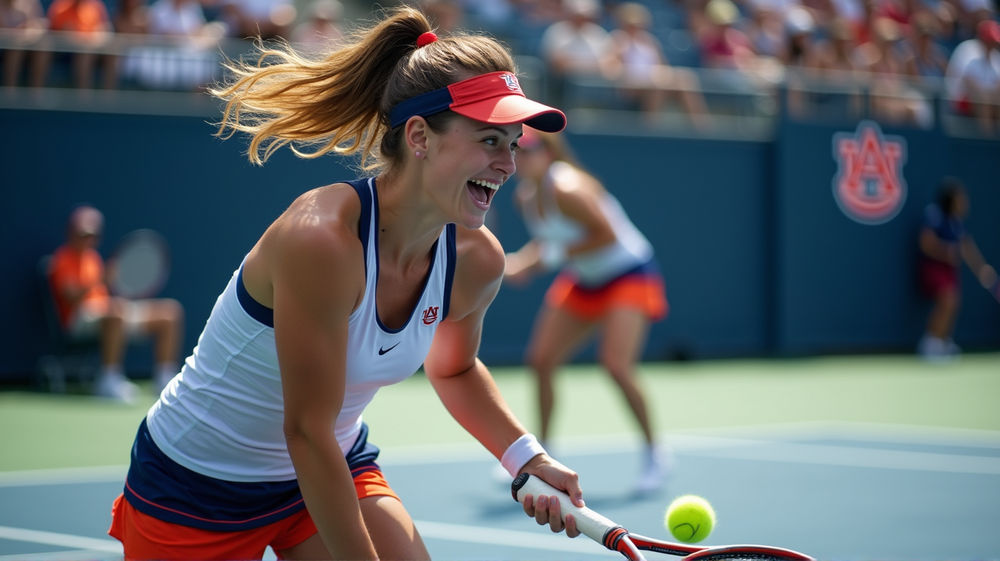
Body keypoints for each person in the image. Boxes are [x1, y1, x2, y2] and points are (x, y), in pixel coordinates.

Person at [106, 7, 584, 560]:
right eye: (488, 140)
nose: (507, 164)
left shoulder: (476, 262)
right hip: (197, 487)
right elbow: (306, 430)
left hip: (330, 463)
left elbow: (452, 367)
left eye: (512, 143)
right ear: (421, 136)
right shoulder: (322, 240)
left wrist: (526, 456)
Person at [503, 128, 672, 495]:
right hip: (585, 279)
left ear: (549, 153)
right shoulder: (525, 197)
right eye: (516, 149)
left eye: (530, 149)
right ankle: (541, 455)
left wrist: (540, 263)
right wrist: (521, 262)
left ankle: (655, 454)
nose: (522, 157)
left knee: (615, 365)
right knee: (541, 360)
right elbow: (551, 240)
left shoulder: (568, 188)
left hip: (628, 274)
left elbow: (606, 236)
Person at [48, 205, 185, 402]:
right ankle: (108, 381)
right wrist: (99, 280)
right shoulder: (62, 259)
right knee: (115, 311)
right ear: (70, 233)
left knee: (170, 313)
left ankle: (163, 380)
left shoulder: (93, 259)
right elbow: (70, 297)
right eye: (82, 234)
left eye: (92, 235)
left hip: (109, 312)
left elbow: (104, 294)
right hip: (77, 320)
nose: (87, 240)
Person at [917, 177, 997, 361]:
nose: (965, 202)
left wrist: (982, 270)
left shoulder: (958, 222)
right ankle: (930, 343)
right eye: (961, 198)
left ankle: (942, 342)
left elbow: (967, 249)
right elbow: (925, 242)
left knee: (953, 302)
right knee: (948, 300)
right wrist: (946, 251)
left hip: (949, 271)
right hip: (933, 268)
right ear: (952, 198)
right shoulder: (934, 214)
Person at [945, 18, 1000, 135]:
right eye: (988, 41)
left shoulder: (996, 57)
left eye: (993, 41)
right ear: (981, 39)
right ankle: (987, 140)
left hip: (987, 99)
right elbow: (970, 83)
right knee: (984, 98)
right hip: (959, 100)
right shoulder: (967, 50)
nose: (991, 45)